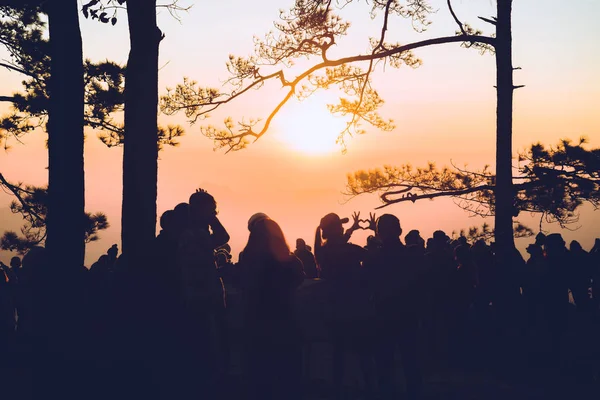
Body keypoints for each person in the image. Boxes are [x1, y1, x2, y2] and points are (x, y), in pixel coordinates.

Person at [238, 217, 305, 400]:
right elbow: (299, 280)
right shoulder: (291, 262)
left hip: (256, 321)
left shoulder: (247, 259)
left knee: (259, 372)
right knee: (286, 373)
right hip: (285, 320)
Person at [315, 211, 375, 399]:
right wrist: (376, 233)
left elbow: (338, 244)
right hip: (355, 307)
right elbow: (373, 256)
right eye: (340, 226)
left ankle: (338, 390)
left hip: (334, 309)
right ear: (335, 230)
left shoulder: (322, 251)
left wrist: (351, 229)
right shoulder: (349, 250)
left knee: (338, 354)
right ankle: (370, 390)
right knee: (363, 352)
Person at [177, 189, 230, 396]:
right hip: (202, 299)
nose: (214, 214)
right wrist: (213, 220)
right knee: (208, 347)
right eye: (211, 210)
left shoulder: (192, 233)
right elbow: (223, 237)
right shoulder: (194, 235)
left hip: (201, 298)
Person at [366, 214, 422, 400]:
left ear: (379, 233)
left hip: (384, 314)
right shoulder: (412, 255)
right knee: (410, 361)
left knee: (384, 363)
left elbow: (367, 286)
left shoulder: (374, 258)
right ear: (399, 231)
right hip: (408, 313)